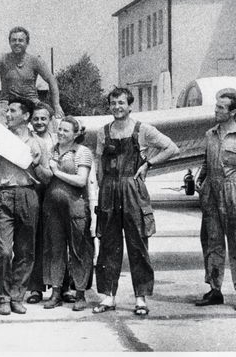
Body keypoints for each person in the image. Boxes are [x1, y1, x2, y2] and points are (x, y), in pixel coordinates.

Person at [92, 87, 178, 316]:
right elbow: (99, 163)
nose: (117, 107)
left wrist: (148, 164)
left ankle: (140, 298)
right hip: (109, 190)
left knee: (138, 244)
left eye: (121, 103)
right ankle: (108, 296)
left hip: (133, 189)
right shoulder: (102, 132)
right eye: (113, 103)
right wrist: (101, 190)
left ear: (130, 105)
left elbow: (171, 147)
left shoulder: (143, 130)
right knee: (108, 245)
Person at [0, 98, 51, 315]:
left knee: (25, 251)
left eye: (12, 111)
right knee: (2, 252)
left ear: (25, 116)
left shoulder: (38, 143)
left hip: (28, 195)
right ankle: (3, 298)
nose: (7, 114)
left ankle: (17, 296)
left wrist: (36, 164)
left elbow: (47, 177)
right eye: (7, 111)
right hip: (1, 195)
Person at [194, 92, 236, 311]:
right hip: (212, 195)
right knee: (212, 242)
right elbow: (207, 161)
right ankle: (215, 290)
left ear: (233, 112)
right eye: (216, 106)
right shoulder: (210, 134)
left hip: (234, 193)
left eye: (221, 107)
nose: (216, 110)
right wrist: (200, 179)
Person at [43, 116, 95, 312]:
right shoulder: (52, 150)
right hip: (53, 208)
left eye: (66, 130)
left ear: (76, 134)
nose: (61, 133)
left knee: (79, 250)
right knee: (55, 250)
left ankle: (80, 293)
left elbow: (81, 180)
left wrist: (57, 172)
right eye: (60, 130)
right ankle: (56, 292)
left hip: (76, 207)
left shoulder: (83, 152)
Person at [25, 104, 56, 304]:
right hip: (35, 190)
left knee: (57, 240)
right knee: (34, 239)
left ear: (50, 120)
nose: (39, 122)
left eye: (43, 118)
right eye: (36, 119)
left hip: (55, 191)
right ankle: (35, 288)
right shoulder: (28, 141)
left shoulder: (58, 139)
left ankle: (60, 285)